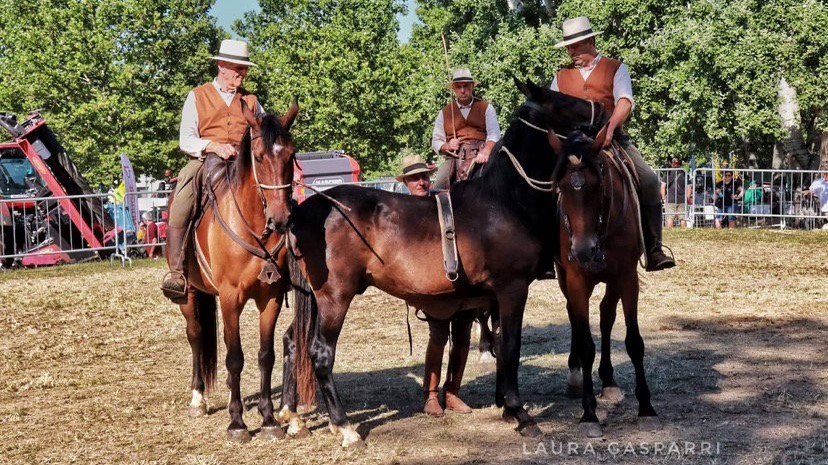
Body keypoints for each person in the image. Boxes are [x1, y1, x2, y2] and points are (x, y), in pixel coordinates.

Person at [551, 16, 675, 271]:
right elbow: (552, 111)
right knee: (543, 184)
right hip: (574, 144)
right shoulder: (560, 76)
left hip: (611, 139)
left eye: (575, 46)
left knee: (650, 181)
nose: (570, 52)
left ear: (590, 41)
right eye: (568, 47)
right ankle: (547, 255)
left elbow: (625, 102)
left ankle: (653, 249)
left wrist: (609, 128)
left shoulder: (616, 68)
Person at [161, 39, 265, 303]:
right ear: (221, 66)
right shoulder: (197, 96)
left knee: (276, 193)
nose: (241, 75)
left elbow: (264, 136)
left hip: (245, 163)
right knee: (182, 194)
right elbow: (186, 140)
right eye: (236, 69)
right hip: (206, 158)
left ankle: (284, 263)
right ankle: (176, 271)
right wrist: (213, 146)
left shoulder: (252, 101)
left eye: (244, 70)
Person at [396, 155, 475, 417]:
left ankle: (453, 392)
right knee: (439, 337)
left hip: (460, 279)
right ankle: (431, 395)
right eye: (415, 178)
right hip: (432, 283)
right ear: (406, 182)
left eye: (424, 176)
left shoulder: (443, 202)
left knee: (463, 336)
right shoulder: (402, 212)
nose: (422, 181)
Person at [431, 69, 501, 190]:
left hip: (481, 154)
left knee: (503, 182)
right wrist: (447, 145)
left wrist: (486, 150)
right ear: (453, 89)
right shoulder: (444, 112)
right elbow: (436, 141)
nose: (462, 90)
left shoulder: (486, 107)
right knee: (437, 188)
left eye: (466, 86)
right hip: (455, 157)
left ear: (472, 86)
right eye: (458, 87)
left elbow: (494, 134)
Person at [661, 158, 690, 228]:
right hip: (682, 200)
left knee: (670, 218)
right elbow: (689, 188)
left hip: (670, 199)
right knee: (683, 218)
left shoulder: (668, 173)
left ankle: (670, 234)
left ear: (672, 163)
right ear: (680, 164)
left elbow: (662, 187)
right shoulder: (684, 173)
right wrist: (687, 198)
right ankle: (684, 233)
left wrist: (663, 198)